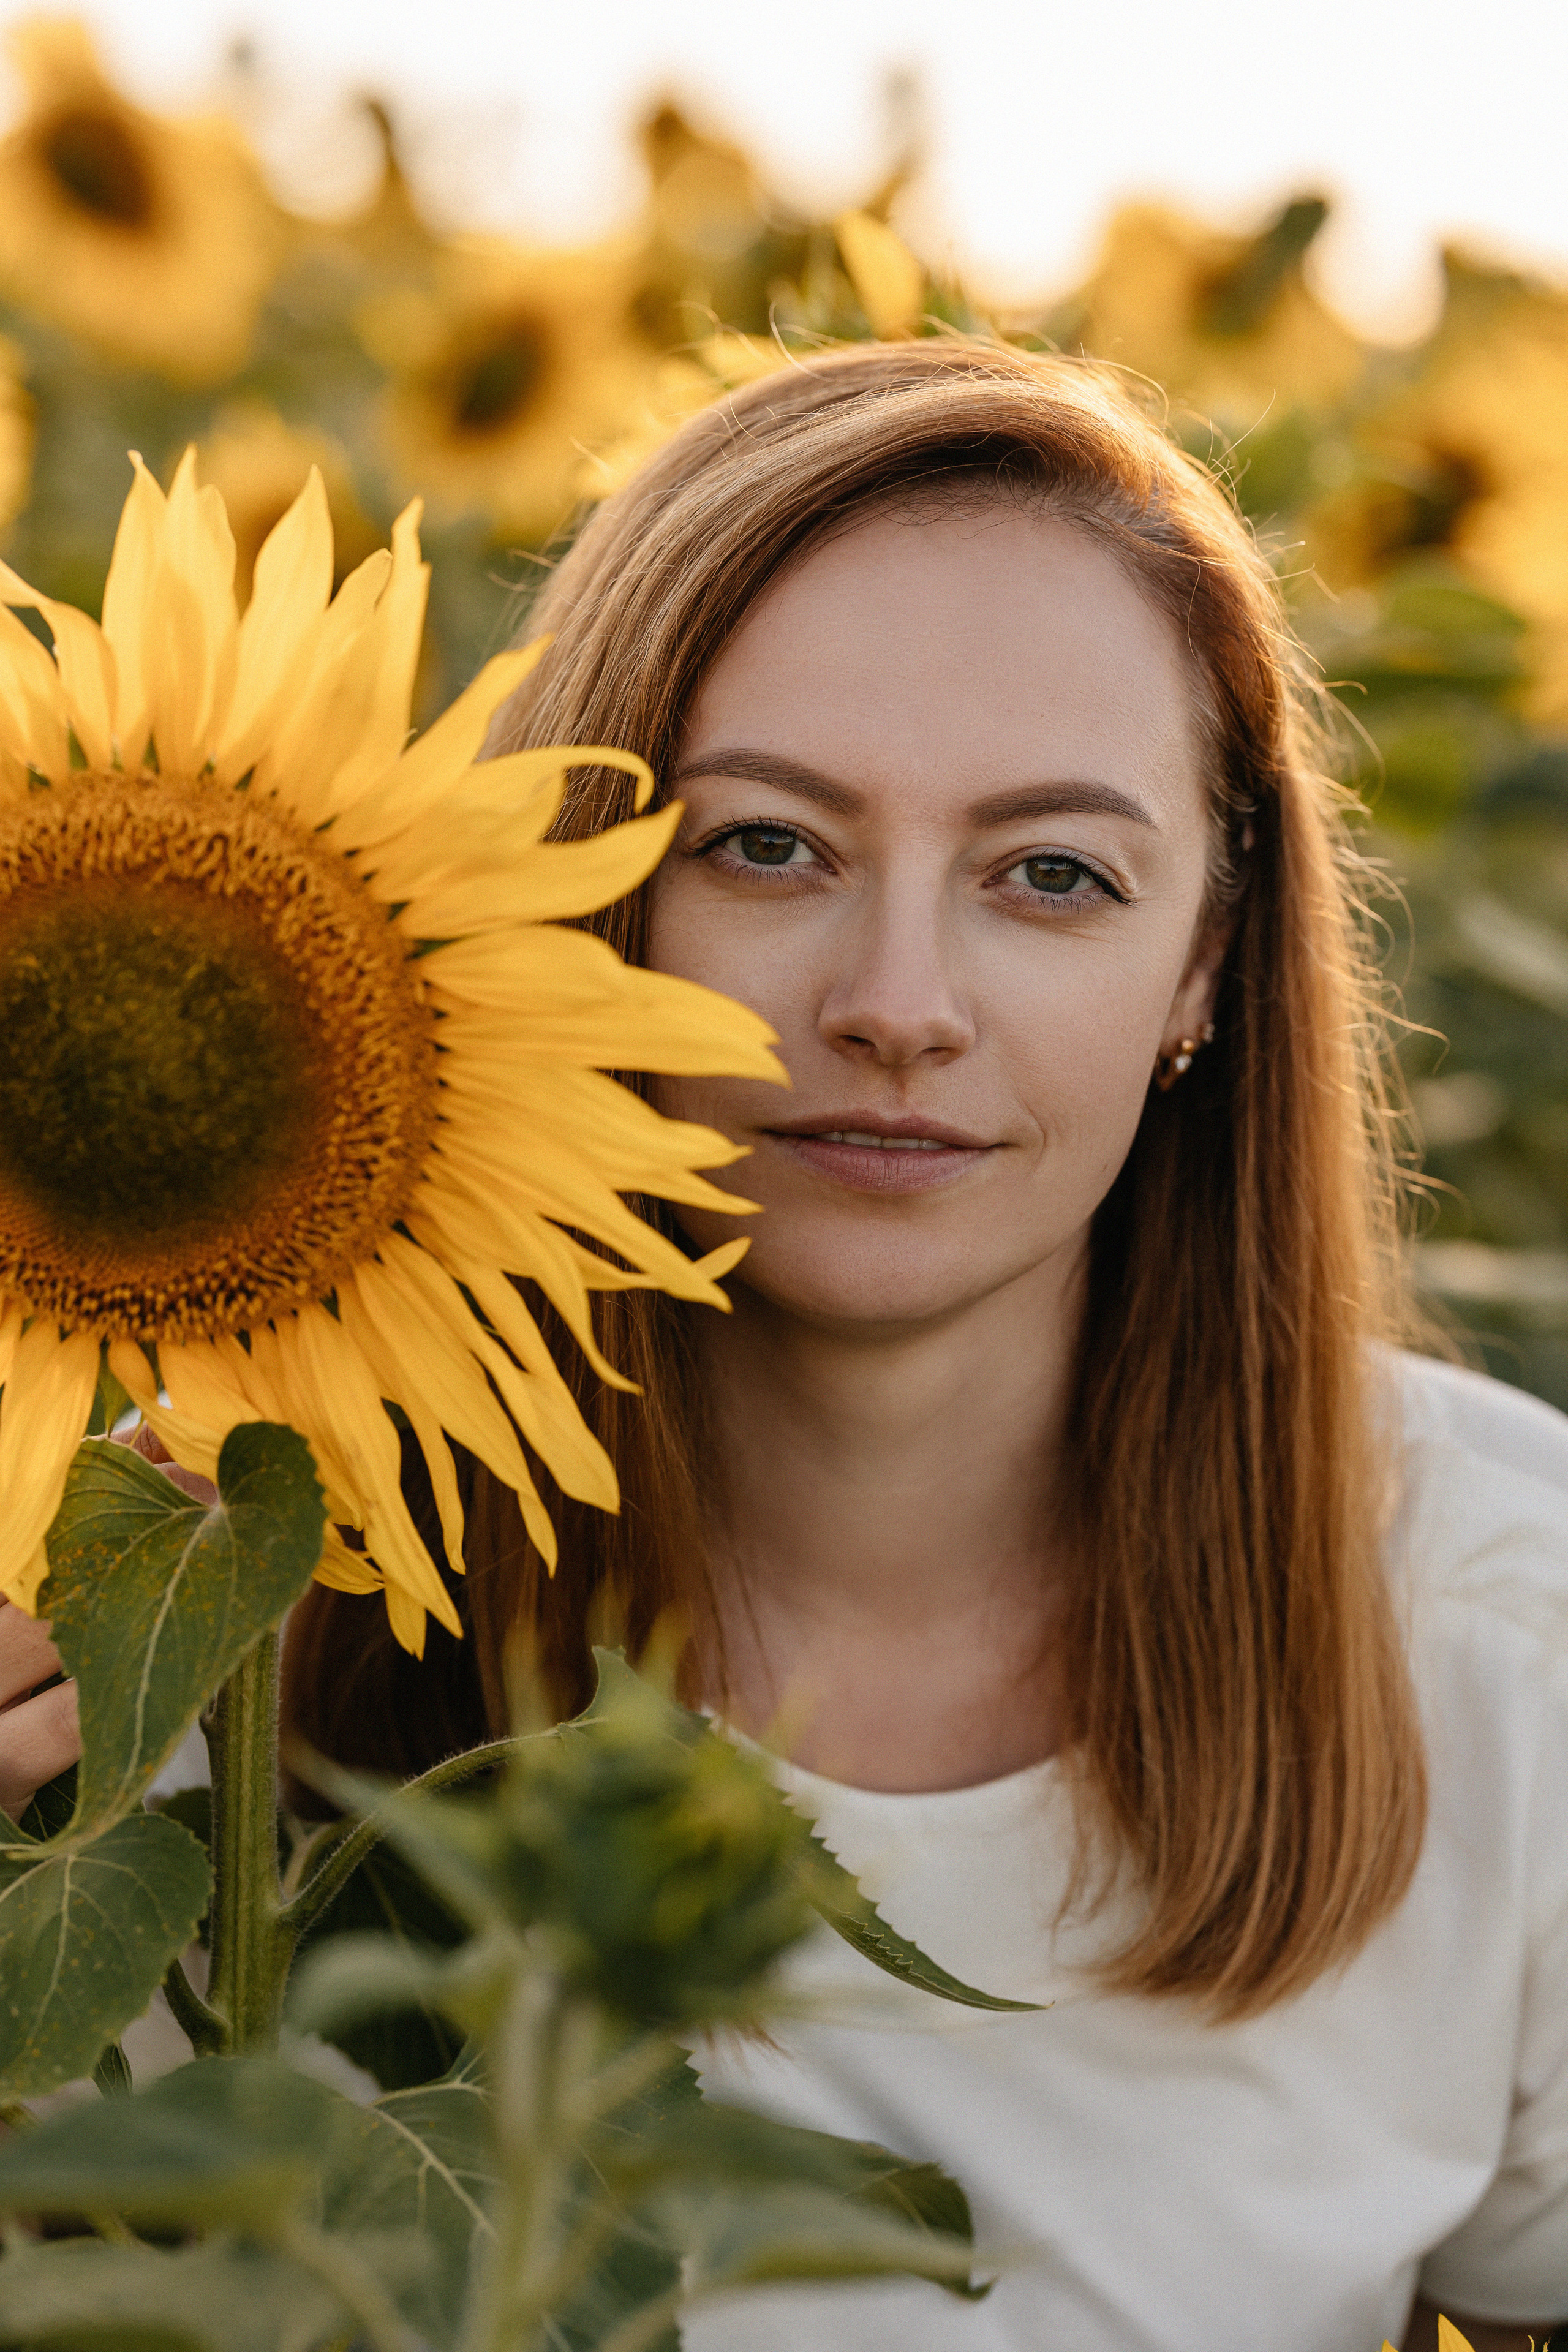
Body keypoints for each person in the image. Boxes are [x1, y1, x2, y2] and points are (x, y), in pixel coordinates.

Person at [4, 341, 1565, 2349]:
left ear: (1206, 959)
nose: (898, 1003)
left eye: (1053, 876)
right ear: (567, 884)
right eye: (766, 845)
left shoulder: (1496, 1629)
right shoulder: (173, 1624)